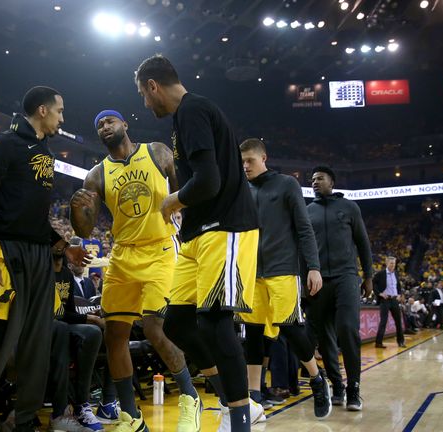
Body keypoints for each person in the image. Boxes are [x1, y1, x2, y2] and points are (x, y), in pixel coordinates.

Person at [134, 55, 262, 431]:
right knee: (177, 323)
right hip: (197, 233)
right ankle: (233, 400)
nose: (145, 103)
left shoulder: (193, 110)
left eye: (143, 94)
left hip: (226, 226)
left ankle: (241, 417)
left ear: (153, 85)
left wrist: (172, 200)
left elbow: (209, 181)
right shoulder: (183, 118)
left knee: (215, 322)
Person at [0, 86, 88, 432]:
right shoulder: (6, 144)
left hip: (39, 254)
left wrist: (63, 247)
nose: (63, 117)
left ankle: (23, 420)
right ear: (42, 110)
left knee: (38, 341)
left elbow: (33, 217)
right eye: (59, 110)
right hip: (5, 251)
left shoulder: (44, 150)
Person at [71, 108, 204, 432]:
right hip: (123, 255)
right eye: (99, 124)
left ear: (124, 124)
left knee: (155, 328)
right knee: (114, 334)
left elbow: (183, 192)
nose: (105, 126)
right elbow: (85, 231)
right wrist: (77, 210)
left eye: (109, 121)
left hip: (160, 248)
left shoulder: (157, 152)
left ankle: (190, 397)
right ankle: (131, 417)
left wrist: (185, 224)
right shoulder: (96, 175)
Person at [237, 138, 332, 419]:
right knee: (252, 336)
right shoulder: (241, 189)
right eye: (241, 162)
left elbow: (304, 228)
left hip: (282, 270)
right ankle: (254, 400)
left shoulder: (286, 185)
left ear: (263, 157)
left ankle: (317, 380)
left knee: (290, 329)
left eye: (250, 161)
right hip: (250, 273)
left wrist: (313, 267)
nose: (245, 167)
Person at [306, 166, 373, 412]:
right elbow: (303, 246)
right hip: (318, 279)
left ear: (332, 182)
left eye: (320, 178)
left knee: (347, 328)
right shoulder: (307, 211)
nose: (314, 182)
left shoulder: (349, 207)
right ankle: (337, 385)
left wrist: (369, 276)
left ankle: (354, 386)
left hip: (346, 276)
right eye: (312, 179)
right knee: (324, 340)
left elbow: (363, 242)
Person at [53, 247, 108, 431]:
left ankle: (101, 403)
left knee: (102, 332)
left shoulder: (66, 275)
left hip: (63, 324)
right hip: (46, 325)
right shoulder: (41, 270)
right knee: (86, 329)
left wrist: (90, 317)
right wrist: (89, 318)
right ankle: (71, 406)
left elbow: (67, 312)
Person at [372, 256, 406, 348]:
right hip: (385, 300)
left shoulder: (396, 273)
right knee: (383, 321)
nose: (393, 265)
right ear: (387, 263)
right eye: (391, 263)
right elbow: (373, 283)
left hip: (394, 300)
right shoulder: (381, 274)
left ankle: (401, 341)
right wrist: (379, 293)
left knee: (398, 322)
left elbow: (398, 286)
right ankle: (378, 343)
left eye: (394, 263)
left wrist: (399, 294)